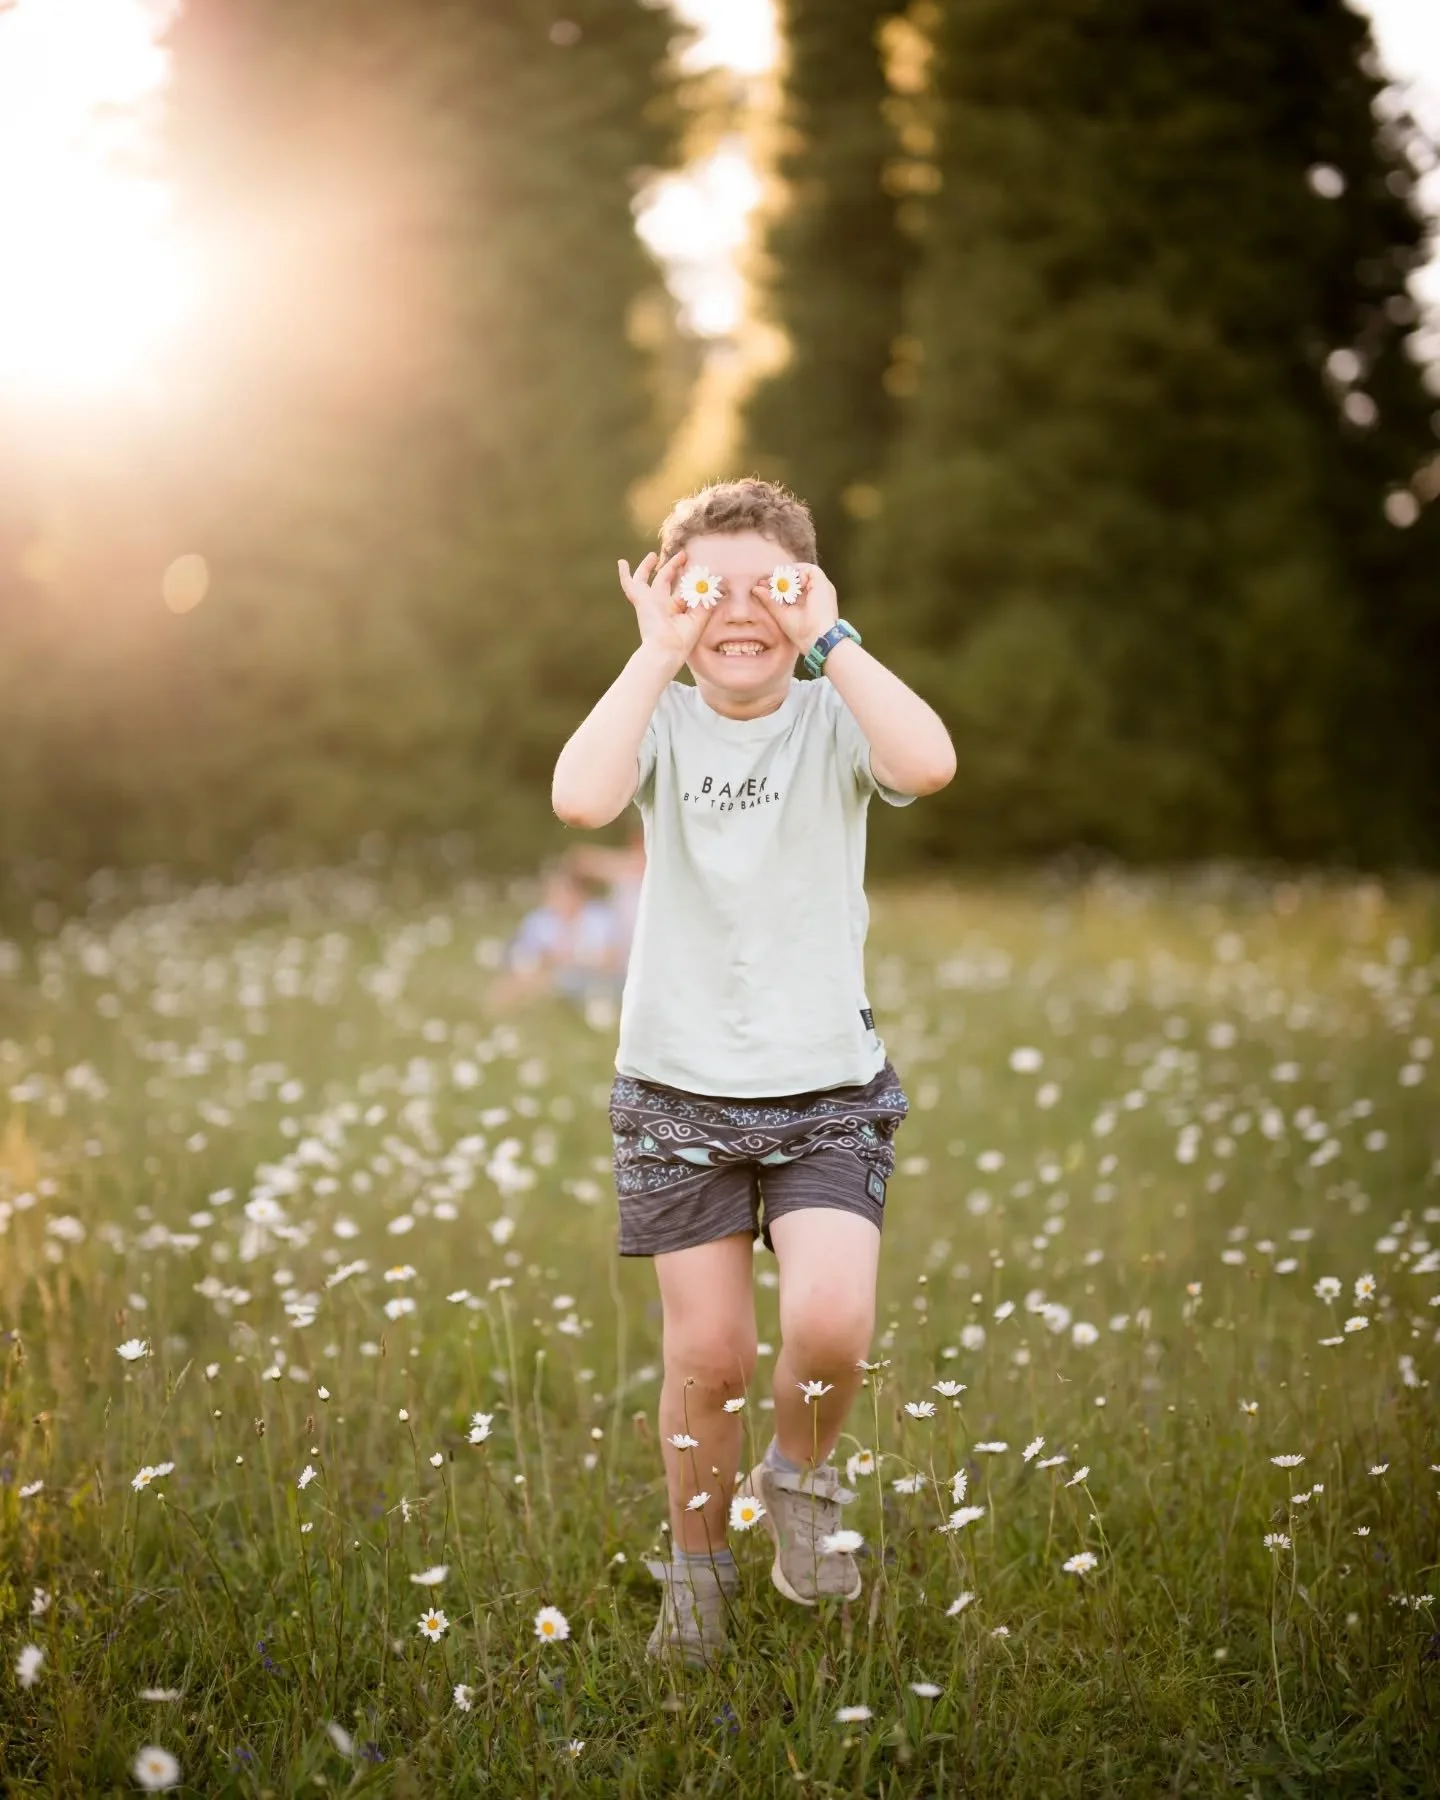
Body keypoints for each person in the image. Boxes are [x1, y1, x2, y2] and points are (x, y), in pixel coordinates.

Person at [552, 477, 956, 1668]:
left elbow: (929, 764)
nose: (740, 612)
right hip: (677, 1091)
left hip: (827, 1086)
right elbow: (580, 798)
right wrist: (650, 658)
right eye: (705, 590)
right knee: (709, 1358)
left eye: (769, 589)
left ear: (809, 597)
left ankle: (797, 1482)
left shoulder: (834, 718)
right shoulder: (664, 723)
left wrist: (833, 640)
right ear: (671, 602)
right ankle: (696, 1568)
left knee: (833, 1324)